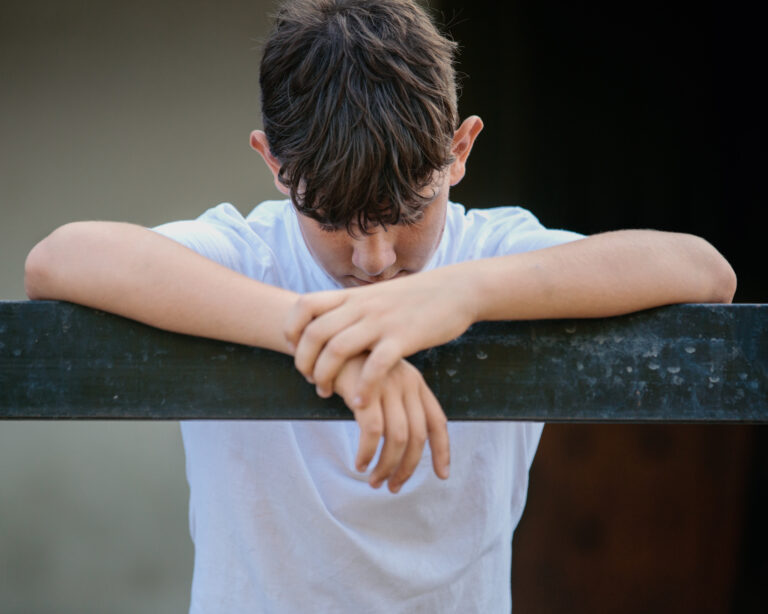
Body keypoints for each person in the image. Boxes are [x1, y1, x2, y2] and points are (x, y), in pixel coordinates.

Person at [24, 0, 736, 611]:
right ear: (274, 164)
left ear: (460, 151)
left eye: (409, 213)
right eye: (335, 221)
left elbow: (704, 272)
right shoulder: (249, 254)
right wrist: (327, 339)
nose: (375, 260)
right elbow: (60, 258)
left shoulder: (493, 253)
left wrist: (458, 293)